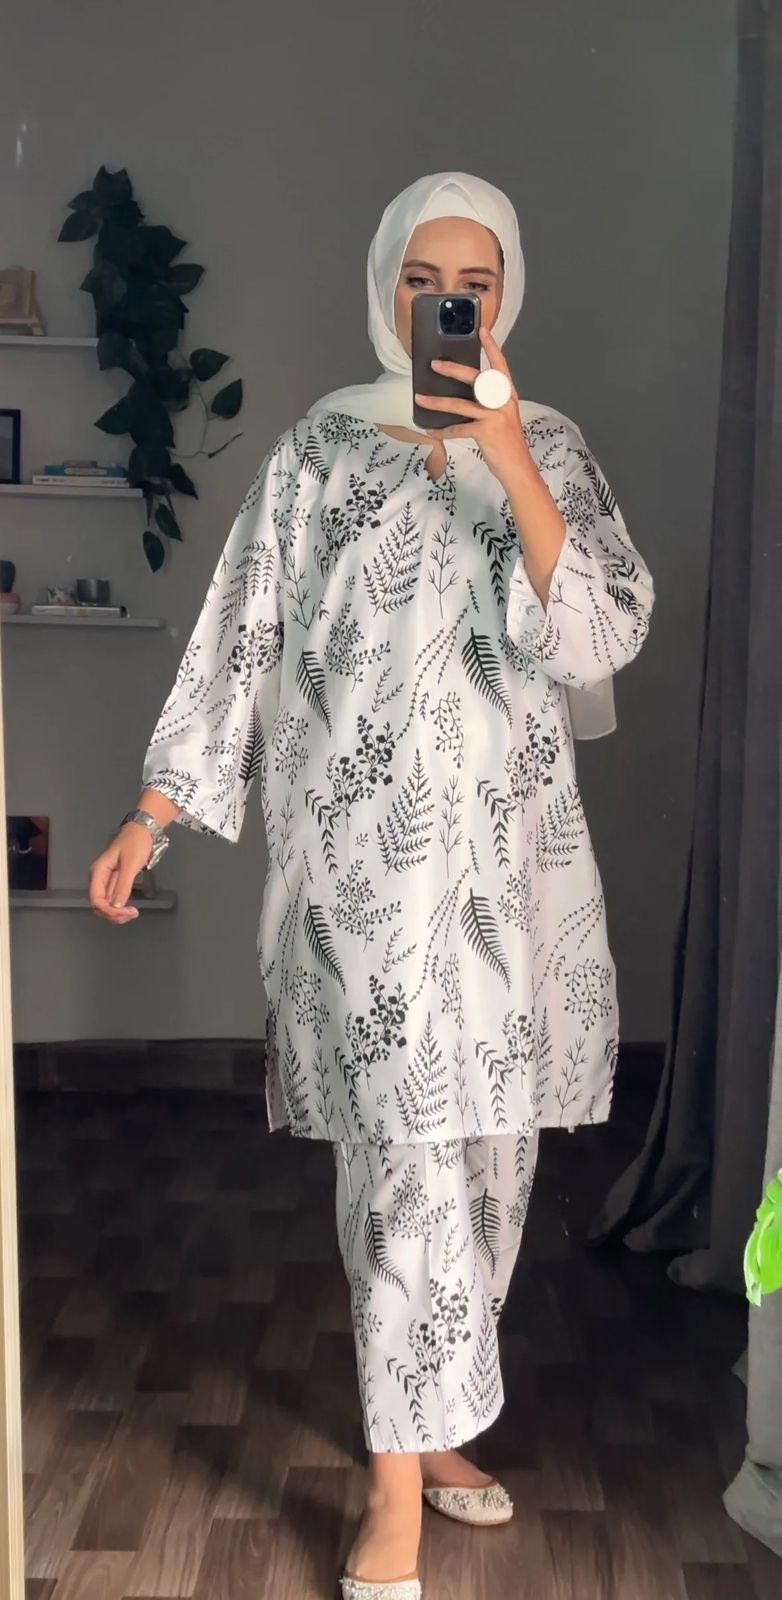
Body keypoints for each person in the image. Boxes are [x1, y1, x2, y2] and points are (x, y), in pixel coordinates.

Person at [90, 172, 654, 1599]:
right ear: (386, 290)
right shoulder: (318, 453)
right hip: (363, 884)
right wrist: (156, 810)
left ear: (504, 297)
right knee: (402, 1175)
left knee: (492, 1172)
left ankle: (440, 1425)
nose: (445, 305)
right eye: (421, 281)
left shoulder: (551, 447)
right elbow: (239, 637)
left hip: (517, 884)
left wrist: (508, 454)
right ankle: (395, 1489)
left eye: (471, 284)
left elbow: (599, 632)